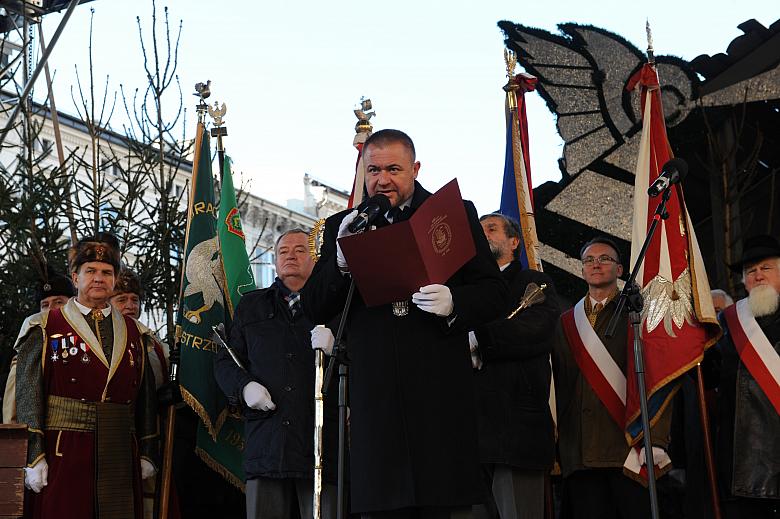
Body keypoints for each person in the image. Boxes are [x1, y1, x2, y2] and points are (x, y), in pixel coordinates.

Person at [302, 129, 509, 518]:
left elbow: (495, 293)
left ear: (415, 169)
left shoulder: (452, 214)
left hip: (439, 395)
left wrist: (455, 302)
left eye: (393, 169)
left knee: (443, 506)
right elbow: (313, 305)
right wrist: (342, 261)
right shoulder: (343, 226)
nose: (382, 180)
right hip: (376, 399)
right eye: (374, 170)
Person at [14, 232, 159, 519]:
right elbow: (28, 393)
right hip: (63, 450)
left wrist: (147, 450)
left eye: (107, 272)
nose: (98, 278)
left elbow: (145, 396)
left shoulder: (135, 332)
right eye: (90, 271)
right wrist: (34, 454)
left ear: (114, 279)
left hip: (119, 450)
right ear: (75, 277)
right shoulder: (45, 326)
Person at [214, 229, 339, 519]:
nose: (290, 256)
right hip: (267, 446)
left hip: (320, 445)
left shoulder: (334, 305)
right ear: (274, 261)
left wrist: (339, 349)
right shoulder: (252, 306)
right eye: (283, 251)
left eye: (300, 250)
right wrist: (244, 388)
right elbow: (225, 361)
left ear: (315, 258)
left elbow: (362, 362)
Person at [552, 237, 671, 519]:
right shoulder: (565, 322)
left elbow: (659, 378)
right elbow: (558, 385)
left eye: (604, 259)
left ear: (619, 270)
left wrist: (656, 438)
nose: (596, 264)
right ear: (582, 270)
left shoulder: (639, 314)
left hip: (626, 448)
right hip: (579, 450)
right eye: (589, 260)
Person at [469, 213, 559, 519]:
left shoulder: (534, 282)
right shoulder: (466, 289)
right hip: (470, 437)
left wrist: (479, 339)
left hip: (517, 432)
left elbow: (536, 329)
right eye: (478, 230)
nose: (483, 234)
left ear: (514, 242)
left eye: (491, 228)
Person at [715, 234, 780, 518]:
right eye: (750, 271)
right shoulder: (729, 322)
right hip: (742, 459)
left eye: (766, 268)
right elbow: (712, 378)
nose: (758, 275)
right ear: (744, 281)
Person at [3, 268, 75, 423]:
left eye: (58, 302)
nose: (50, 309)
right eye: (45, 305)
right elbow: (13, 406)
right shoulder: (28, 351)